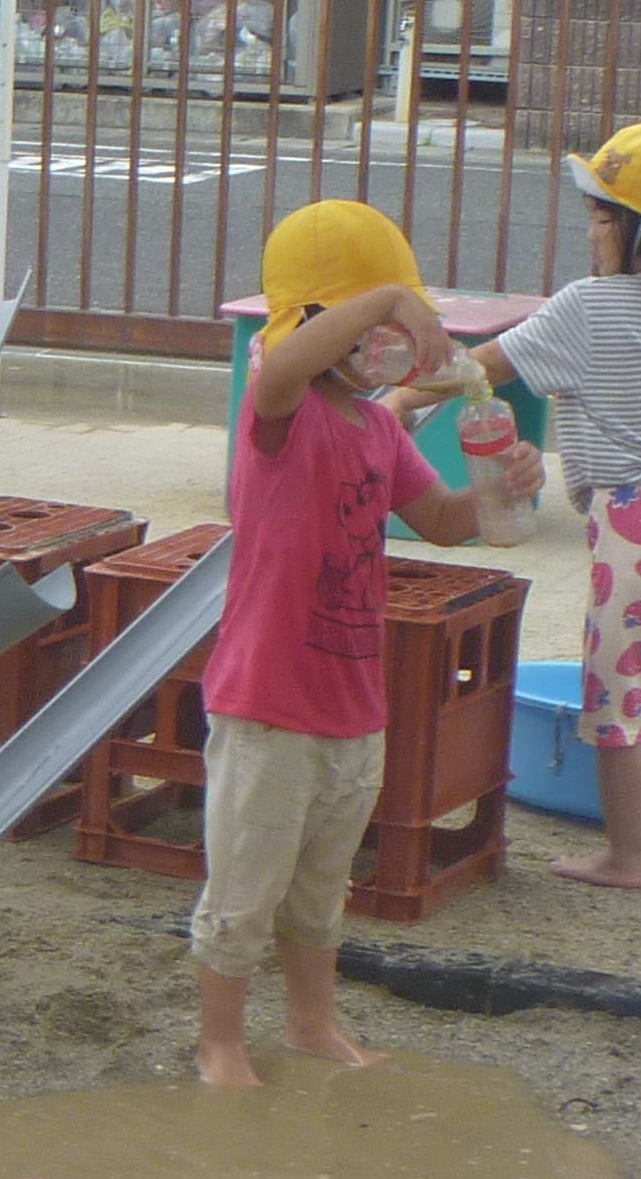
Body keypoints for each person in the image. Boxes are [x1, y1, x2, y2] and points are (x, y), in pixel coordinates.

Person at [194, 202, 541, 1090]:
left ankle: (312, 1024)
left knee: (319, 888)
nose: (391, 344)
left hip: (353, 701)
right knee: (244, 889)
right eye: (378, 327)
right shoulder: (278, 407)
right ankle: (221, 1045)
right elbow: (291, 361)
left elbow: (449, 523)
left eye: (399, 329)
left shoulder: (380, 428)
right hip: (268, 699)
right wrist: (384, 292)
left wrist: (503, 479)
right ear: (317, 324)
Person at [460, 121, 641, 893]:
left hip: (640, 522)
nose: (590, 234)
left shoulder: (590, 307)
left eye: (599, 216)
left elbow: (479, 365)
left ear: (639, 231)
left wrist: (390, 401)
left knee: (617, 700)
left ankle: (625, 858)